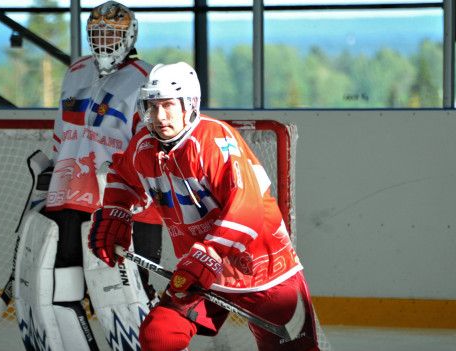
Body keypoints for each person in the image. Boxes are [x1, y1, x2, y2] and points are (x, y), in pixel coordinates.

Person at [88, 61, 321, 351]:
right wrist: (116, 214)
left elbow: (247, 208)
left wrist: (210, 254)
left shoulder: (214, 140)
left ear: (190, 104)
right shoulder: (143, 146)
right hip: (202, 273)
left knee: (292, 349)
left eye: (169, 105)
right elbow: (122, 176)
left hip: (263, 271)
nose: (159, 116)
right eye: (152, 105)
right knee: (160, 335)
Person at [28, 1, 163, 350]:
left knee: (130, 294)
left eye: (112, 33)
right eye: (97, 33)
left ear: (130, 35)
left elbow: (153, 149)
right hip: (70, 197)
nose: (104, 40)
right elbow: (62, 133)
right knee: (64, 288)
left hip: (128, 206)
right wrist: (51, 172)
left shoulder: (147, 78)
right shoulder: (76, 71)